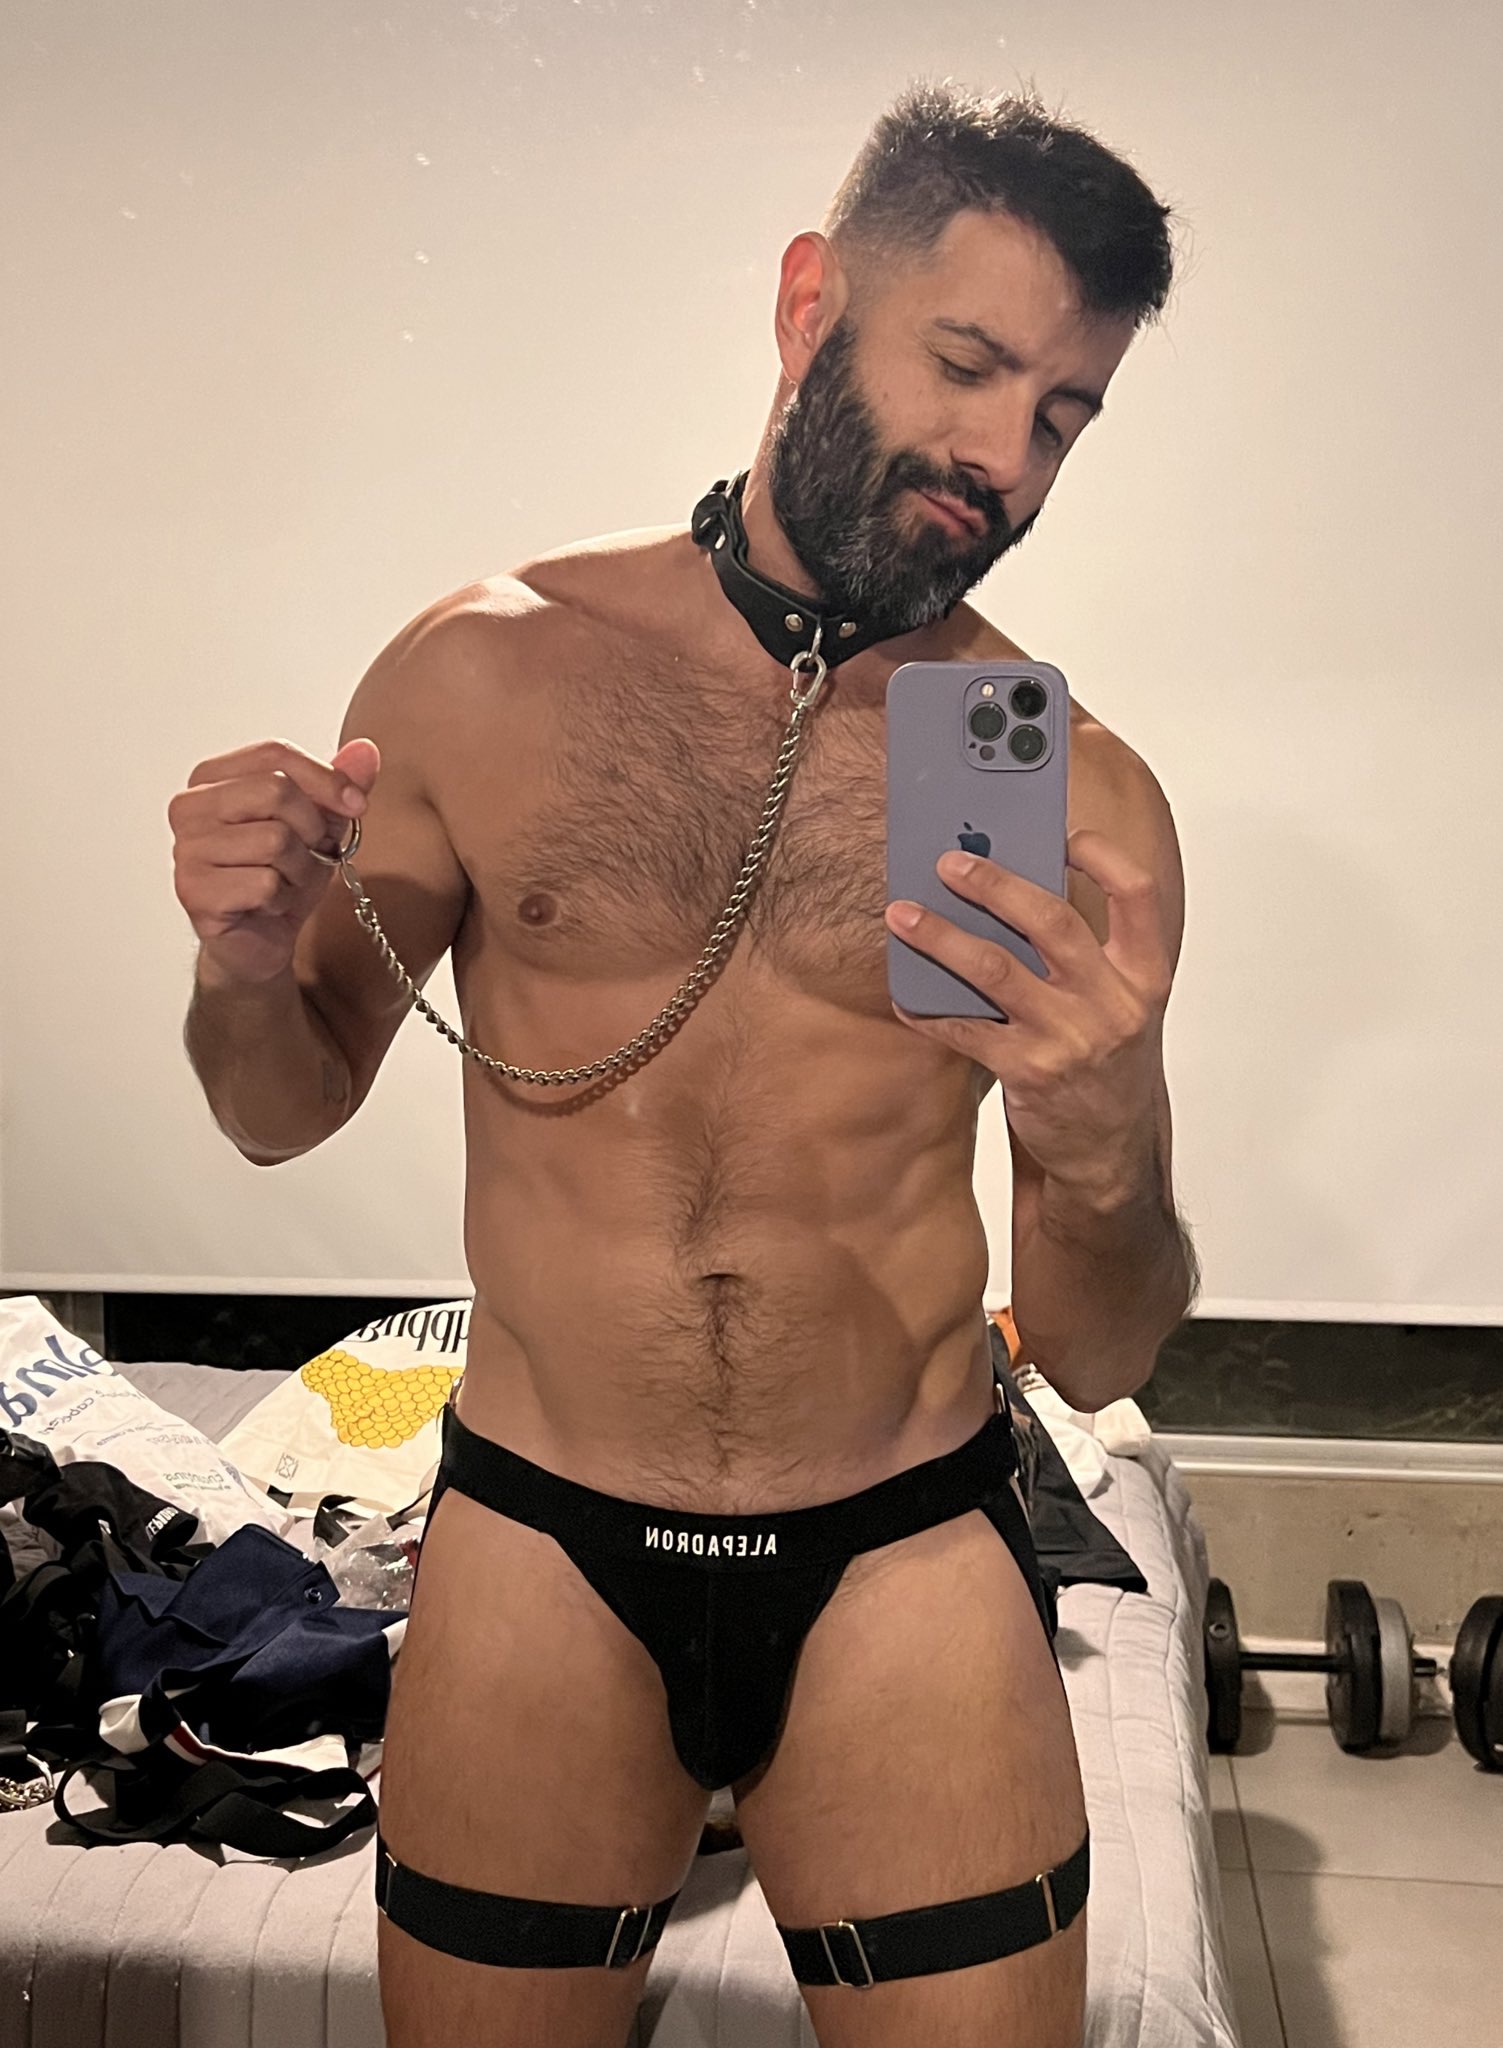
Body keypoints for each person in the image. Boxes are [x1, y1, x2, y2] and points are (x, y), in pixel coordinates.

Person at [170, 81, 1198, 2048]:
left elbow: (1095, 1350)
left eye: (1063, 414)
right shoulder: (481, 673)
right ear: (810, 302)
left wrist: (1102, 1137)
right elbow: (275, 1104)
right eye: (966, 365)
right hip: (540, 1544)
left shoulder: (1074, 795)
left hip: (902, 1549)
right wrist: (237, 963)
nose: (1004, 458)